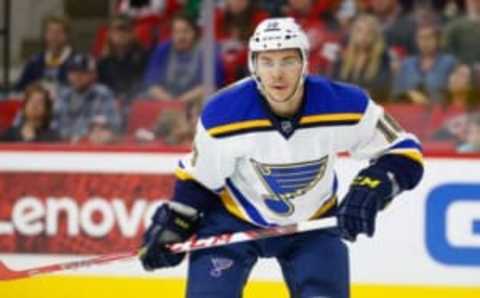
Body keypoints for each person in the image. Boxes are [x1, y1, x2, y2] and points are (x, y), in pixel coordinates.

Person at [140, 18, 424, 298]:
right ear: (254, 66)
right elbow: (200, 180)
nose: (277, 74)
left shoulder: (345, 105)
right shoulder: (223, 114)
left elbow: (404, 151)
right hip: (232, 219)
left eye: (288, 60)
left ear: (304, 63)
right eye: (267, 61)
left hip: (313, 224)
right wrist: (176, 222)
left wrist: (373, 187)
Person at [143, 13, 225, 102]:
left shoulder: (207, 50)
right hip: (165, 102)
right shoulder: (162, 50)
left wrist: (180, 102)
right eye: (176, 32)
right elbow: (151, 85)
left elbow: (211, 85)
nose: (181, 36)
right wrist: (170, 102)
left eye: (186, 31)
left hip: (196, 103)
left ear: (195, 32)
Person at [55, 53, 122, 143]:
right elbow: (54, 125)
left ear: (93, 75)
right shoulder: (63, 95)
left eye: (83, 72)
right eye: (73, 72)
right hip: (62, 148)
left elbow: (115, 125)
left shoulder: (103, 94)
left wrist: (103, 132)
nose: (77, 76)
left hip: (91, 149)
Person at [332, 14, 393, 102]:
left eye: (369, 32)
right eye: (359, 31)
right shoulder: (342, 59)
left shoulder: (382, 59)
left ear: (375, 35)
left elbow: (381, 88)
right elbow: (333, 84)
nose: (364, 36)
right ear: (353, 33)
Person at [392, 22, 457, 104]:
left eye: (429, 38)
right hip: (409, 111)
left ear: (438, 39)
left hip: (439, 110)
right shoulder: (407, 64)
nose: (425, 42)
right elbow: (397, 93)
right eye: (421, 38)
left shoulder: (449, 63)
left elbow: (455, 94)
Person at [97, 14, 149, 104]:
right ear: (109, 34)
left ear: (133, 34)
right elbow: (100, 89)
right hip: (110, 104)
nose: (121, 35)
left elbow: (147, 86)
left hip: (136, 103)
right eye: (117, 31)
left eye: (125, 31)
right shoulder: (102, 62)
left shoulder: (143, 57)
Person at [15, 15, 75, 92]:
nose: (53, 36)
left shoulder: (76, 61)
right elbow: (19, 88)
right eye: (50, 32)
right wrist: (30, 88)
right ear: (45, 35)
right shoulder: (35, 61)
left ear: (67, 35)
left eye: (58, 32)